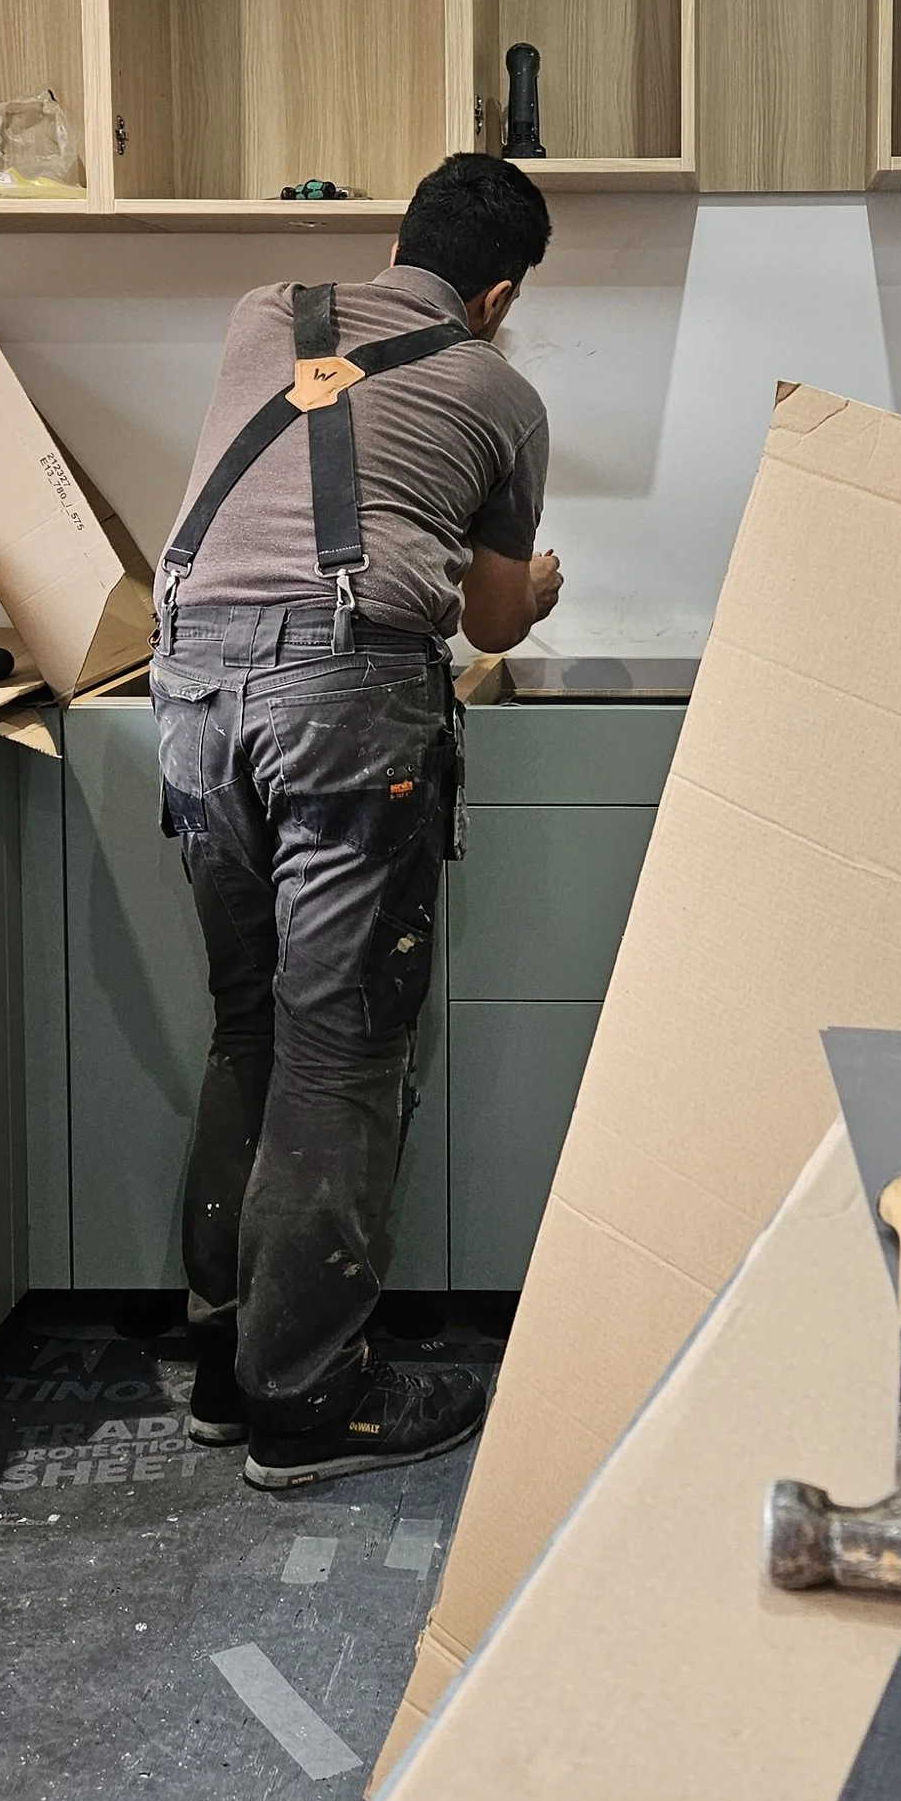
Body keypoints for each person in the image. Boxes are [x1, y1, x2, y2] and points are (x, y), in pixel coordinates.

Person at [152, 155, 561, 1487]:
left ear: (400, 243)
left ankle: (227, 1359)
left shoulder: (264, 312)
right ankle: (308, 1395)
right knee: (341, 1056)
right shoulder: (503, 393)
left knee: (252, 1025)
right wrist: (538, 585)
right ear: (499, 295)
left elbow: (312, 451)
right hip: (341, 706)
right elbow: (491, 620)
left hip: (192, 689)